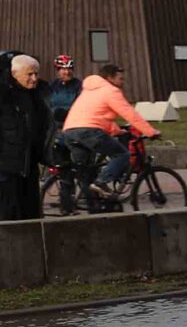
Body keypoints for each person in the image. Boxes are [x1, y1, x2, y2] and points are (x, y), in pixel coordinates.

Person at [57, 62, 157, 208]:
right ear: (110, 78)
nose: (122, 82)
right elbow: (129, 113)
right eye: (120, 79)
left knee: (86, 171)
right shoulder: (110, 91)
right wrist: (150, 131)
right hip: (89, 131)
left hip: (70, 131)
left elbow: (96, 115)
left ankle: (93, 208)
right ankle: (102, 182)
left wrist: (116, 131)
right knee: (122, 155)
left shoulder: (89, 90)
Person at [0, 52, 49, 221]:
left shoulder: (37, 96)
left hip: (29, 165)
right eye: (29, 74)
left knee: (30, 216)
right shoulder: (4, 96)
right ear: (14, 74)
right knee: (9, 216)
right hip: (7, 169)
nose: (34, 78)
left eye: (36, 73)